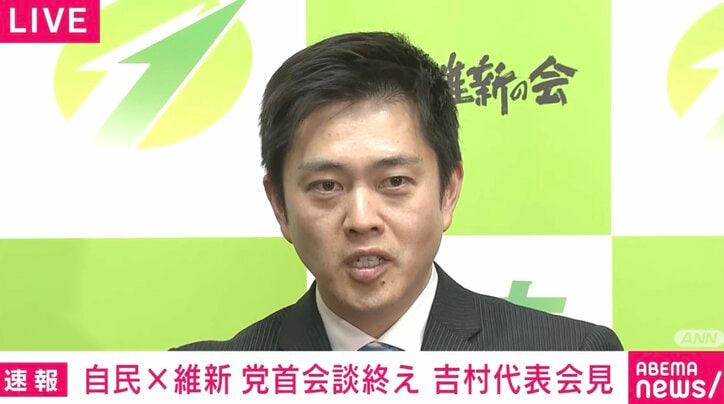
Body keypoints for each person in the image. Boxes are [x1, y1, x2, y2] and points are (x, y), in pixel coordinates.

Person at [177, 32, 623, 351]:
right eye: (327, 186)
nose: (361, 219)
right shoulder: (208, 381)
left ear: (448, 192)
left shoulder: (568, 359)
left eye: (394, 182)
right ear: (280, 206)